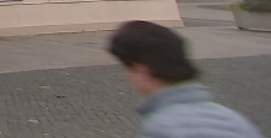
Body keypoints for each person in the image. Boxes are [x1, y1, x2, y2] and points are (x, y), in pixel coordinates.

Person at [107, 20, 263, 138]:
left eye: (128, 69)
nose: (126, 76)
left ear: (143, 69)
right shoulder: (234, 120)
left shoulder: (162, 128)